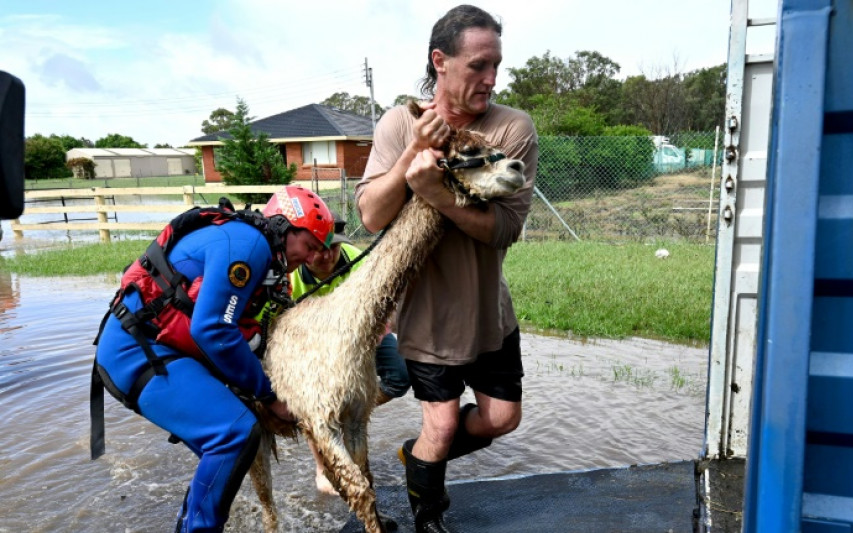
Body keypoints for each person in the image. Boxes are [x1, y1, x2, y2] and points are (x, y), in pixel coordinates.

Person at [354, 5, 538, 532]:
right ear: (441, 61)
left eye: (496, 65)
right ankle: (429, 517)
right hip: (427, 316)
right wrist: (414, 151)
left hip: (487, 311)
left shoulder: (512, 128)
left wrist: (436, 192)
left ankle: (417, 461)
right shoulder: (398, 123)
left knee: (502, 418)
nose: (491, 78)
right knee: (438, 424)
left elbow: (505, 227)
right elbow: (370, 215)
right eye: (478, 65)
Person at [91, 185, 334, 532]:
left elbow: (240, 333)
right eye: (309, 245)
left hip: (156, 348)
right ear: (282, 226)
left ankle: (190, 525)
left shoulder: (258, 252)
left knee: (228, 451)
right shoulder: (249, 245)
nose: (311, 258)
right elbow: (214, 330)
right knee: (233, 431)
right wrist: (269, 395)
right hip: (135, 353)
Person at [284, 211, 411, 495]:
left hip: (363, 337)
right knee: (316, 404)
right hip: (314, 344)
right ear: (307, 250)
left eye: (335, 247)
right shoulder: (291, 276)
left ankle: (349, 415)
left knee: (401, 375)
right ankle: (321, 466)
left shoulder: (358, 260)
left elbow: (381, 316)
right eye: (320, 249)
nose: (328, 255)